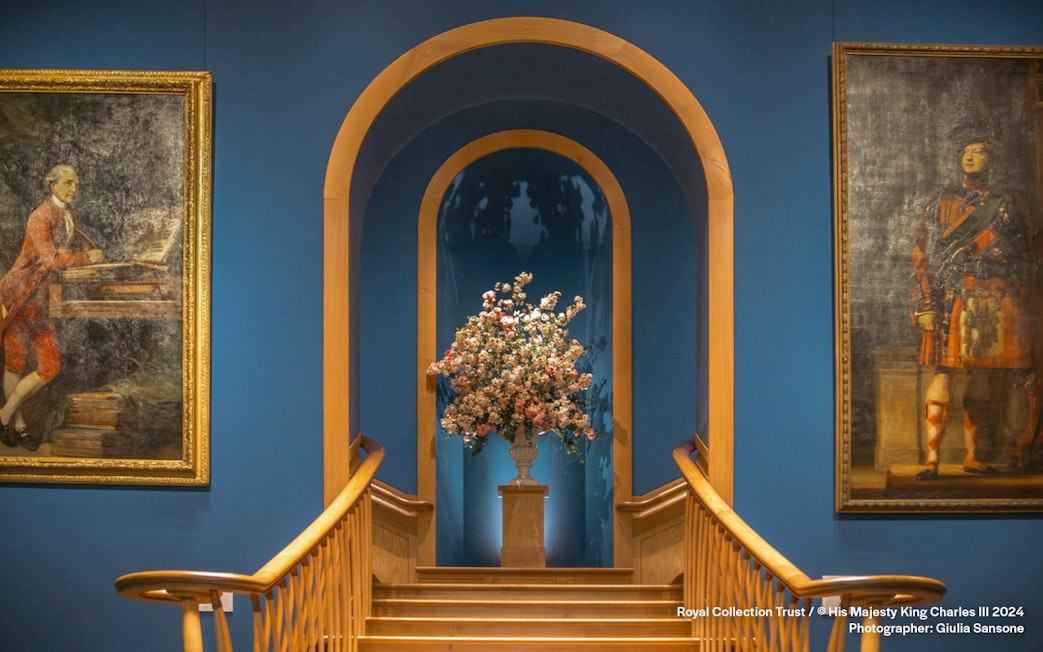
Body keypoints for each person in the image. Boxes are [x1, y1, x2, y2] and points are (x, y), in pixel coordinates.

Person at [911, 138, 1037, 479]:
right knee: (943, 372)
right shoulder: (940, 201)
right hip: (953, 294)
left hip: (996, 294)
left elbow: (1028, 252)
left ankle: (971, 457)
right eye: (964, 152)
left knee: (979, 377)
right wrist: (924, 303)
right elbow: (922, 253)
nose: (969, 157)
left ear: (991, 157)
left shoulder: (1008, 203)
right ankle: (932, 460)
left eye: (977, 151)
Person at [0, 164, 103, 450]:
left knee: (50, 366)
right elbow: (49, 260)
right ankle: (18, 426)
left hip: (44, 299)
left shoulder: (69, 214)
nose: (74, 189)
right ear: (52, 186)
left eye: (76, 184)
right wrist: (85, 258)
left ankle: (4, 414)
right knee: (15, 363)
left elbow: (62, 252)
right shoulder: (39, 216)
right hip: (20, 295)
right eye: (68, 183)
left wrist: (83, 253)